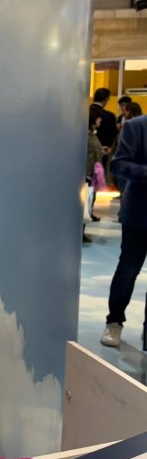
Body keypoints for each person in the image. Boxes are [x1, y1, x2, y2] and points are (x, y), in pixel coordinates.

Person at [102, 112, 147, 348]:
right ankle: (114, 322)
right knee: (128, 270)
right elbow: (118, 164)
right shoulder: (137, 126)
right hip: (139, 213)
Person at [90, 87, 118, 172]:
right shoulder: (109, 116)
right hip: (103, 153)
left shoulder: (83, 111)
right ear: (106, 99)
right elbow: (113, 133)